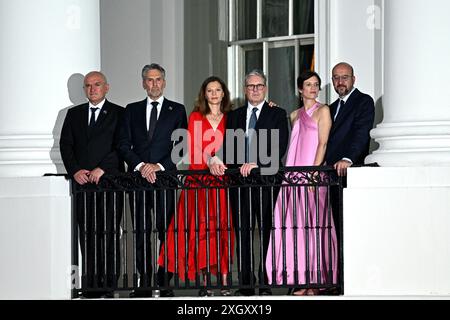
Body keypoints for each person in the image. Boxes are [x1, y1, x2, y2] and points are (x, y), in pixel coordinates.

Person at [210, 70, 289, 296]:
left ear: (265, 88)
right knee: (243, 232)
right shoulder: (235, 115)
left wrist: (257, 163)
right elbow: (229, 147)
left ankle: (264, 283)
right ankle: (246, 283)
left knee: (265, 232)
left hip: (265, 182)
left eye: (259, 85)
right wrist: (215, 157)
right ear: (245, 89)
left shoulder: (277, 113)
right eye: (251, 86)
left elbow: (279, 147)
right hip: (239, 184)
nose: (255, 89)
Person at [158, 76, 235, 297]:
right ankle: (203, 282)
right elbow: (193, 145)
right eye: (209, 90)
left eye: (218, 90)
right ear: (204, 94)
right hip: (199, 179)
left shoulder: (231, 118)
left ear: (223, 94)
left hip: (221, 180)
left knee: (220, 229)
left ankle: (224, 280)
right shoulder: (195, 117)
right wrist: (210, 159)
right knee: (199, 229)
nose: (213, 94)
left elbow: (234, 144)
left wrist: (218, 160)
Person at [265, 70, 338, 296]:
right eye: (308, 84)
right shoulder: (294, 115)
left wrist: (313, 175)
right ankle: (299, 278)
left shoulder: (323, 110)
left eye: (316, 84)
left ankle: (316, 280)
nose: (313, 88)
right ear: (300, 89)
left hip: (312, 178)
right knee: (295, 227)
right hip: (292, 178)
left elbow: (323, 144)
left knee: (315, 227)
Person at [118, 63, 187, 297]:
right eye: (149, 79)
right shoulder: (131, 110)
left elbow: (182, 145)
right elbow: (123, 144)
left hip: (165, 179)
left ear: (164, 82)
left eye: (158, 79)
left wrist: (157, 166)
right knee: (140, 231)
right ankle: (144, 282)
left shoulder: (177, 110)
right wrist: (140, 166)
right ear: (143, 83)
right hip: (138, 180)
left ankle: (164, 280)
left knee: (166, 231)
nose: (154, 84)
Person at [60, 71, 124, 298]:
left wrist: (103, 168)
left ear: (107, 87)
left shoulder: (119, 113)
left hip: (109, 182)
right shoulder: (73, 114)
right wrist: (75, 170)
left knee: (107, 232)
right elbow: (66, 145)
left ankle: (109, 284)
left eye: (97, 84)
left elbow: (122, 146)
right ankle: (90, 285)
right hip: (83, 184)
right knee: (86, 234)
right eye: (88, 86)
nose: (92, 89)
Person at [325, 62, 375, 245]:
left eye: (344, 77)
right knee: (335, 227)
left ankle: (350, 271)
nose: (340, 82)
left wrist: (348, 159)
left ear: (353, 79)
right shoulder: (330, 108)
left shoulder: (364, 101)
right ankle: (339, 271)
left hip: (350, 174)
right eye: (336, 78)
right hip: (330, 176)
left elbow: (361, 134)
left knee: (351, 227)